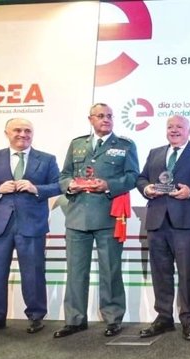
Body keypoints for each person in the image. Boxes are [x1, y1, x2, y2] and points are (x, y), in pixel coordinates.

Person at [0, 118, 60, 336]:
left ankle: (36, 317)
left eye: (28, 130)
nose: (23, 134)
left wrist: (35, 187)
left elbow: (58, 185)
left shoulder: (47, 159)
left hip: (32, 224)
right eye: (17, 130)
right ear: (7, 133)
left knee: (34, 273)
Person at [54, 103, 139, 338]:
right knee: (76, 271)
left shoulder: (125, 145)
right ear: (90, 119)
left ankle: (112, 319)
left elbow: (132, 177)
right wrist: (69, 185)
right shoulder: (77, 144)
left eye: (110, 116)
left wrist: (109, 185)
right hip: (77, 216)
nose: (106, 119)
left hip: (108, 215)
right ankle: (74, 319)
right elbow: (64, 175)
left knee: (110, 270)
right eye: (101, 116)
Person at [136, 115, 190, 341]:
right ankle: (164, 318)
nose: (174, 130)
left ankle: (189, 321)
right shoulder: (155, 152)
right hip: (157, 221)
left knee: (188, 274)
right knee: (161, 273)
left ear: (189, 130)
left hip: (187, 222)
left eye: (179, 127)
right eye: (170, 127)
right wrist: (147, 189)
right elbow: (141, 178)